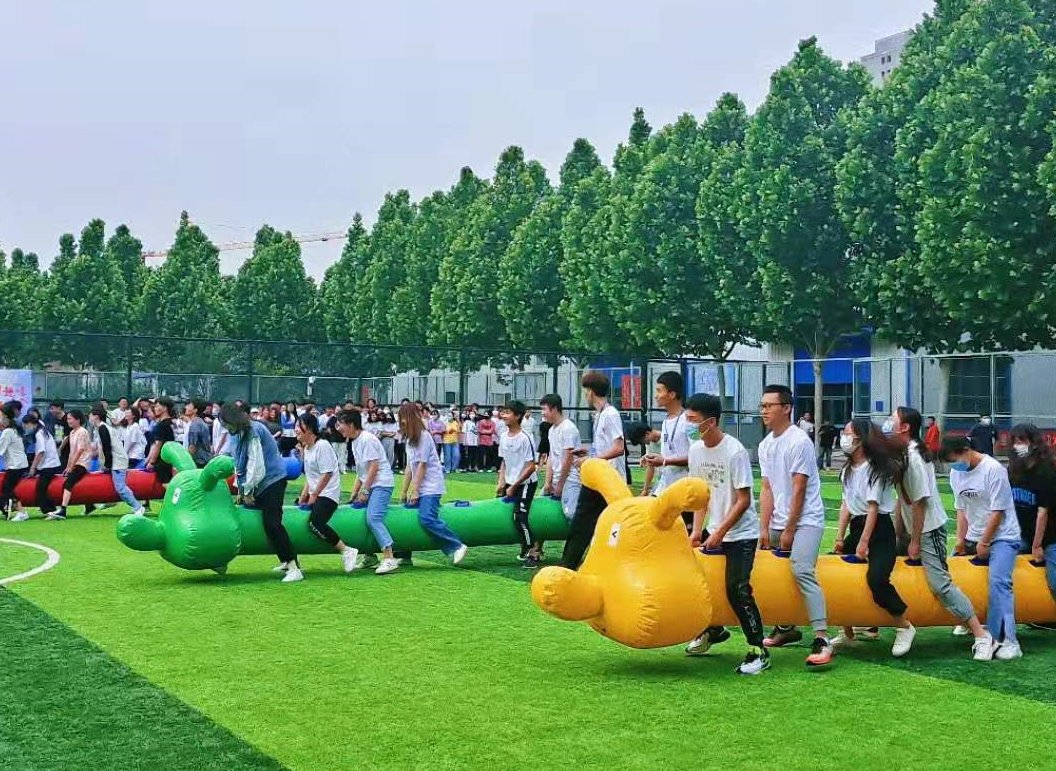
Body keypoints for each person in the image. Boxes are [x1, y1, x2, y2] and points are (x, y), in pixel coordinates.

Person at [886, 406, 993, 660]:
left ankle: (980, 633)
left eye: (893, 418)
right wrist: (899, 534)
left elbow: (920, 502)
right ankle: (869, 625)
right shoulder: (903, 454)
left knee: (940, 584)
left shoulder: (915, 458)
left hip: (929, 530)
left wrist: (914, 541)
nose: (889, 422)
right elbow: (902, 498)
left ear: (905, 427)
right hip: (914, 529)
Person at [684, 394, 769, 676]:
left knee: (737, 589)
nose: (688, 424)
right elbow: (701, 496)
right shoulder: (696, 450)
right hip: (714, 528)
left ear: (710, 422)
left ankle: (758, 649)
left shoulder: (735, 452)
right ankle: (713, 630)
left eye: (693, 420)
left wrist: (720, 531)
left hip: (741, 533)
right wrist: (698, 530)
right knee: (702, 582)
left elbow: (743, 500)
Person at [757, 385, 833, 668]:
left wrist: (789, 530)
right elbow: (767, 488)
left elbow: (799, 488)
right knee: (767, 571)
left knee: (801, 569)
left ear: (787, 408)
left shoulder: (799, 441)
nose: (764, 411)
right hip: (779, 520)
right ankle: (785, 627)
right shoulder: (766, 445)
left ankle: (822, 638)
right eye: (762, 405)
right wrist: (764, 528)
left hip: (806, 520)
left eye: (770, 405)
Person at [831, 419, 915, 656]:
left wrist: (864, 542)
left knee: (877, 578)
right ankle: (847, 631)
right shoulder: (848, 470)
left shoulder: (875, 470)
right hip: (858, 526)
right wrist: (840, 537)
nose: (844, 437)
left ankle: (904, 626)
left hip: (879, 530)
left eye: (847, 433)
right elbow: (846, 505)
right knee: (837, 574)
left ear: (860, 438)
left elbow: (873, 508)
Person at [943, 435, 1023, 660]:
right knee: (948, 576)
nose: (954, 465)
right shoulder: (956, 473)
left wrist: (985, 542)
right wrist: (961, 541)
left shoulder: (993, 469)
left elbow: (998, 511)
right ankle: (970, 623)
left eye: (954, 459)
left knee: (999, 581)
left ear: (966, 450)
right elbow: (961, 509)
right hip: (974, 535)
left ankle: (1008, 640)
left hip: (1003, 536)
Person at [221, 402, 301, 583]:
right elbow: (238, 463)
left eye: (226, 423)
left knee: (272, 523)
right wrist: (241, 489)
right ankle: (287, 560)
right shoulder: (236, 434)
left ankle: (293, 567)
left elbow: (255, 464)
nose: (225, 427)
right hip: (258, 483)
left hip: (272, 480)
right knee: (252, 519)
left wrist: (248, 491)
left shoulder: (254, 431)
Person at [560, 371, 626, 569]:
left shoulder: (610, 414)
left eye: (585, 391)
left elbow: (619, 447)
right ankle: (570, 565)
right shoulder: (601, 414)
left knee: (593, 523)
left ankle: (570, 565)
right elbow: (607, 447)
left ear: (590, 392)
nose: (585, 395)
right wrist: (588, 452)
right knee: (585, 523)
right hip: (598, 477)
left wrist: (592, 459)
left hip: (608, 480)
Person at [398, 403, 468, 565]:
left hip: (431, 487)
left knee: (426, 518)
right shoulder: (409, 441)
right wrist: (403, 492)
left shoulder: (424, 437)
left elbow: (422, 466)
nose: (402, 422)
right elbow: (409, 467)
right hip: (420, 485)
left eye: (404, 418)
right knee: (405, 517)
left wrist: (415, 491)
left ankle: (456, 546)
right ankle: (404, 555)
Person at [336, 410, 400, 575]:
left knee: (373, 518)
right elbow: (361, 472)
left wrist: (365, 490)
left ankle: (389, 557)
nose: (338, 428)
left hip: (382, 484)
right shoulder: (355, 441)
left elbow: (374, 467)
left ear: (351, 425)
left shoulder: (367, 439)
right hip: (371, 483)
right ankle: (370, 556)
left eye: (340, 424)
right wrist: (354, 493)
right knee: (360, 517)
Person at [296, 413, 359, 574]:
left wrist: (314, 495)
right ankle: (291, 561)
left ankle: (346, 550)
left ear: (309, 428)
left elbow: (327, 473)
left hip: (328, 494)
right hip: (316, 493)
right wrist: (303, 496)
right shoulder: (307, 448)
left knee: (315, 523)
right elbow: (310, 477)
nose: (296, 430)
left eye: (299, 426)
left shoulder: (322, 446)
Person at [497, 400, 540, 568]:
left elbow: (531, 466)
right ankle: (525, 546)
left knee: (520, 516)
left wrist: (515, 485)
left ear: (517, 416)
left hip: (526, 483)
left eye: (508, 412)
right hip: (511, 482)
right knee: (510, 516)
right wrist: (501, 482)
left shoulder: (525, 438)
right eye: (503, 412)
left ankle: (533, 552)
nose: (503, 415)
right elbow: (504, 461)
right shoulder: (503, 436)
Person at [89, 406, 145, 516]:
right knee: (113, 484)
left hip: (118, 462)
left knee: (121, 487)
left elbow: (107, 447)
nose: (89, 418)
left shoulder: (103, 428)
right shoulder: (102, 428)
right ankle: (111, 501)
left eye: (90, 416)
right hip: (115, 461)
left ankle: (138, 507)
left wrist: (107, 465)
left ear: (96, 416)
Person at [641, 371, 690, 498]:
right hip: (665, 488)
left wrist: (664, 461)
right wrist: (651, 457)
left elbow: (696, 456)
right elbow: (668, 455)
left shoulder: (689, 420)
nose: (656, 396)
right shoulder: (665, 421)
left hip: (684, 490)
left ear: (672, 394)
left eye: (659, 391)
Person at [540, 394, 582, 522]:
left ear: (554, 409)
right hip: (557, 479)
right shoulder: (552, 430)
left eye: (544, 409)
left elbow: (568, 459)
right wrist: (548, 483)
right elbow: (551, 457)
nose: (542, 413)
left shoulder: (568, 428)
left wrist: (560, 485)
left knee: (570, 514)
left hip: (571, 479)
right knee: (540, 508)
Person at [49, 409, 93, 521]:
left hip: (82, 463)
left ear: (77, 420)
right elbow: (72, 452)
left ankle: (63, 510)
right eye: (68, 419)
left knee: (68, 483)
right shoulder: (72, 433)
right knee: (70, 483)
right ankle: (89, 505)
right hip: (75, 463)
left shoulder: (82, 432)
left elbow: (80, 450)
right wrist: (68, 466)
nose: (68, 421)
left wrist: (71, 466)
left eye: (70, 419)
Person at [22, 412, 62, 519]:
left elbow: (40, 452)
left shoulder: (39, 434)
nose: (26, 428)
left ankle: (51, 511)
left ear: (31, 423)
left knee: (40, 489)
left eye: (26, 426)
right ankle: (52, 510)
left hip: (49, 465)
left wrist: (33, 468)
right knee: (42, 488)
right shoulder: (44, 431)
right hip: (51, 464)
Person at [0, 405, 29, 521]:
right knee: (7, 488)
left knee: (7, 488)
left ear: (5, 417)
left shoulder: (8, 432)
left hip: (15, 465)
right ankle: (10, 508)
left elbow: (1, 449)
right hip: (19, 464)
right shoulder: (14, 429)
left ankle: (21, 512)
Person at [145, 397, 177, 484]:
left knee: (165, 484)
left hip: (163, 461)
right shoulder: (173, 422)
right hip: (172, 458)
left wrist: (152, 462)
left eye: (157, 406)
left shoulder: (162, 425)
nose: (155, 408)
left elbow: (158, 444)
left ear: (164, 408)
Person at [182, 399, 213, 468]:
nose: (186, 407)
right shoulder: (199, 422)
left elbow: (193, 446)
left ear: (195, 410)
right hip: (203, 459)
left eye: (189, 406)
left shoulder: (195, 424)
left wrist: (186, 462)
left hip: (198, 461)